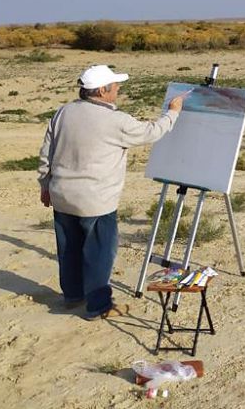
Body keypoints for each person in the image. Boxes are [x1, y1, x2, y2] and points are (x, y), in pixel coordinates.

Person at [37, 65, 186, 319]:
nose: (118, 89)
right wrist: (172, 114)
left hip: (62, 195)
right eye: (115, 85)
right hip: (96, 201)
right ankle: (98, 306)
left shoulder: (63, 112)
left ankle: (72, 296)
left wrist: (44, 185)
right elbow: (151, 132)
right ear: (103, 90)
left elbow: (46, 153)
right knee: (99, 254)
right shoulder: (116, 121)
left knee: (69, 249)